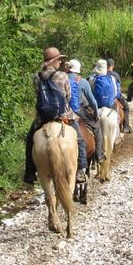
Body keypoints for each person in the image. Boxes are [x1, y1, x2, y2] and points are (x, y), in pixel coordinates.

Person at [24, 47, 87, 185]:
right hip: (63, 116)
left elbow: (38, 94)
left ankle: (29, 173)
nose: (60, 62)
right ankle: (81, 170)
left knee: (29, 140)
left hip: (42, 118)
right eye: (59, 59)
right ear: (53, 61)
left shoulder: (37, 77)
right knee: (80, 139)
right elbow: (68, 96)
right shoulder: (62, 76)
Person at [66, 59, 106, 163]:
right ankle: (99, 155)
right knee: (97, 127)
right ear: (78, 69)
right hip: (77, 110)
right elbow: (92, 101)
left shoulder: (60, 77)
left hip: (62, 110)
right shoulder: (82, 81)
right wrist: (96, 114)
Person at [107, 58, 132, 133]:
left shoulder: (102, 74)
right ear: (113, 65)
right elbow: (118, 88)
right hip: (115, 96)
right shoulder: (115, 75)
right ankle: (126, 126)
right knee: (126, 108)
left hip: (103, 98)